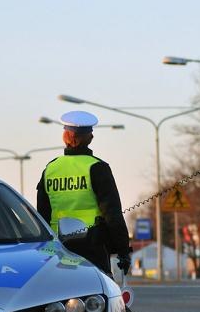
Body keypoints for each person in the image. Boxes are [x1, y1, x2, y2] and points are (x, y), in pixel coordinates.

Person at [37, 110, 131, 276]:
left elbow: (42, 215)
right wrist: (123, 250)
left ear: (65, 136)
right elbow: (112, 214)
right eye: (91, 133)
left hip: (59, 249)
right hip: (93, 248)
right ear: (89, 138)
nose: (92, 136)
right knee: (96, 296)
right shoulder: (97, 168)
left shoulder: (50, 169)